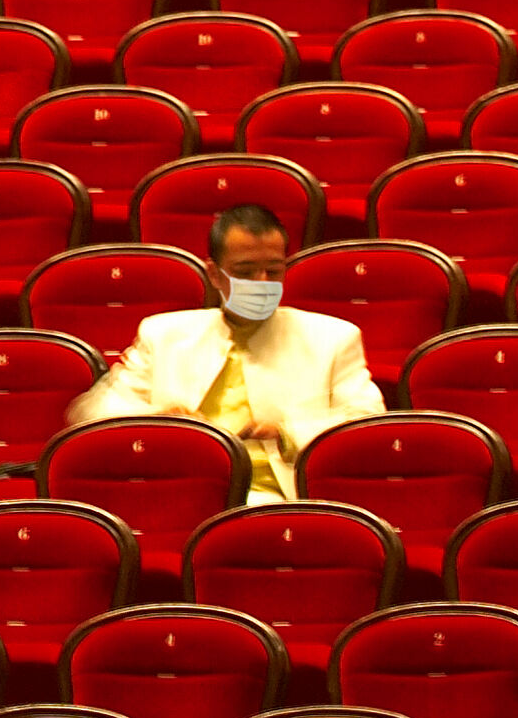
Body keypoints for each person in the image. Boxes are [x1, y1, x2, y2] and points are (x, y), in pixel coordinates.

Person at [61, 203, 379, 499]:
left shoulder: (333, 337)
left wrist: (286, 432)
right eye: (245, 272)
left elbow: (366, 423)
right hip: (174, 488)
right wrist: (159, 420)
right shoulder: (163, 334)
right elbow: (95, 413)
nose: (262, 283)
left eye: (273, 270)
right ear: (214, 274)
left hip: (271, 496)